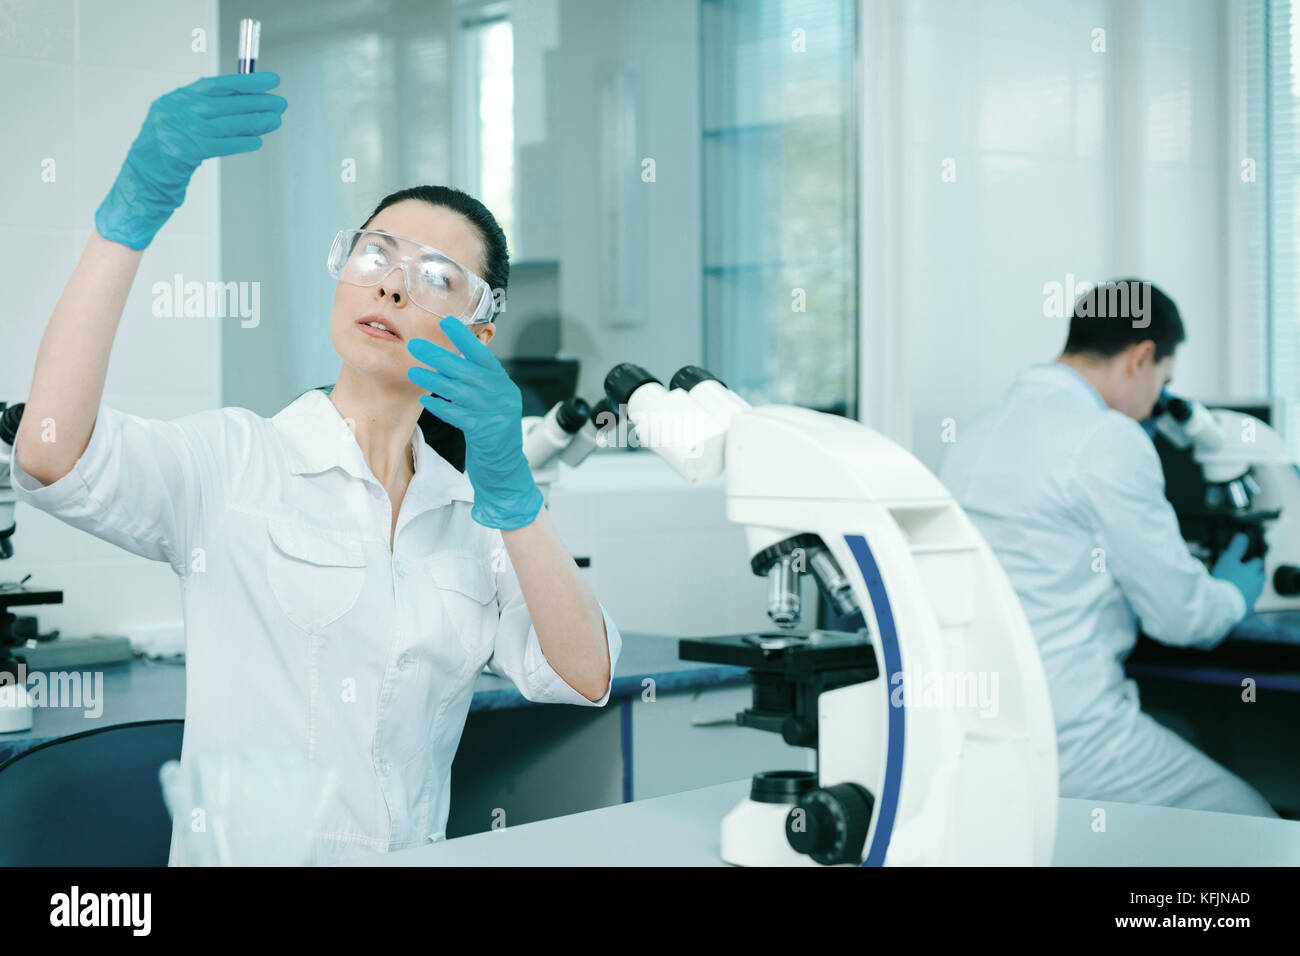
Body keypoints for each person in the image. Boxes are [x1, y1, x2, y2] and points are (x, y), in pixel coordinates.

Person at [10, 73, 622, 864]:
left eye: (438, 278)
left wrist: (516, 494)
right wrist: (127, 221)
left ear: (482, 326)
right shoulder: (236, 463)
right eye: (377, 254)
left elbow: (583, 674)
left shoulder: (477, 511)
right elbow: (51, 450)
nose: (394, 283)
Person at [938, 279, 1274, 816]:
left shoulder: (979, 431)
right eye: (1163, 381)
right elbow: (1183, 620)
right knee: (1257, 828)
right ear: (1142, 357)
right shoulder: (1107, 437)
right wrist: (1233, 592)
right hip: (1074, 736)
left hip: (980, 730)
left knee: (1180, 728)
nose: (1152, 408)